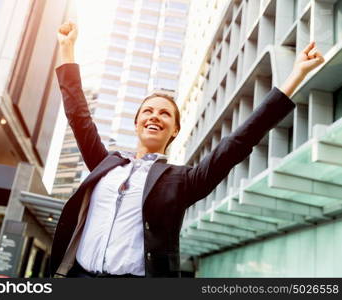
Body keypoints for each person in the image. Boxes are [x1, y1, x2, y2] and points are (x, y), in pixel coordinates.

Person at [50, 21, 325, 278]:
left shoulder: (182, 180)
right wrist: (67, 48)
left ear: (175, 130)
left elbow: (238, 142)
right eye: (147, 111)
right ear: (137, 123)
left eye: (165, 114)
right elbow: (79, 116)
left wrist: (296, 75)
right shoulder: (105, 163)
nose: (155, 116)